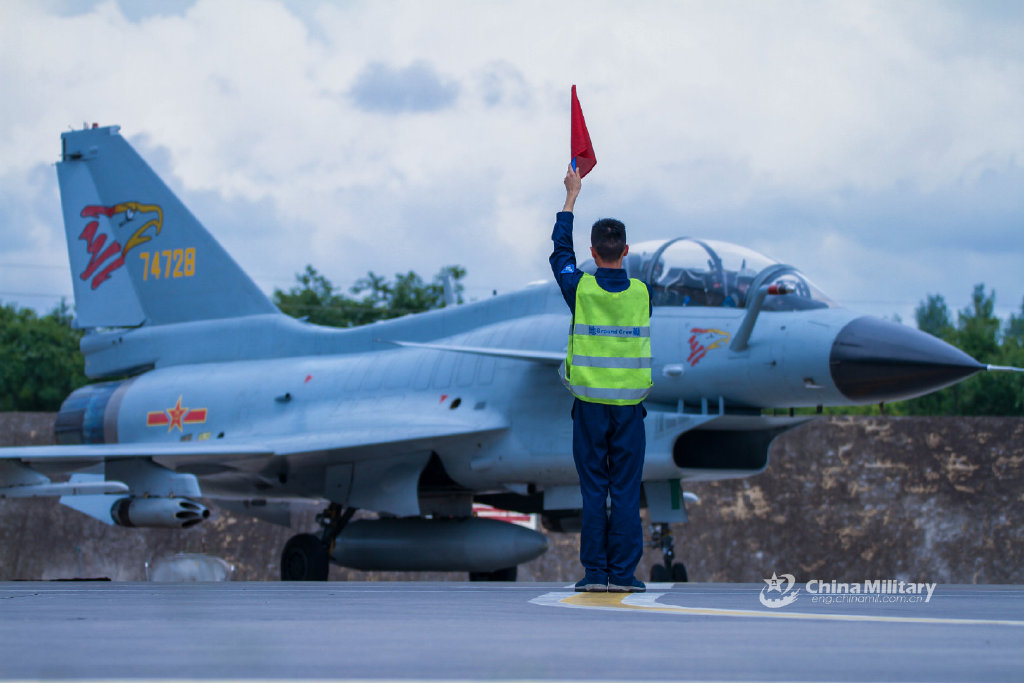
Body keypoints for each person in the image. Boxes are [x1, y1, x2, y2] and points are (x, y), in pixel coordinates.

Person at [549, 167, 652, 593]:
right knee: (625, 491)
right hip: (630, 410)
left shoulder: (581, 289)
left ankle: (595, 574)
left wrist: (571, 196)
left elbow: (559, 254)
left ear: (593, 251)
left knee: (594, 490)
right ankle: (623, 576)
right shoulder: (643, 293)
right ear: (625, 250)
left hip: (589, 407)